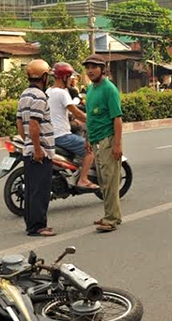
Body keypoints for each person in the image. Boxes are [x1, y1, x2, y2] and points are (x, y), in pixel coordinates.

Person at [83, 54, 123, 233]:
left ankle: (111, 218)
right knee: (103, 180)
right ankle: (111, 214)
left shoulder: (109, 89)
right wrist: (87, 138)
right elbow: (90, 117)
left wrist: (117, 145)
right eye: (88, 67)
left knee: (110, 180)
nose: (90, 70)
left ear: (103, 69)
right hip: (96, 139)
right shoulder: (91, 89)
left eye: (94, 67)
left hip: (108, 139)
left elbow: (117, 118)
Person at [16, 60, 56, 237]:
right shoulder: (39, 97)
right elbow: (34, 124)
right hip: (41, 151)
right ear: (45, 76)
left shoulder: (25, 95)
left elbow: (19, 122)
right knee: (41, 190)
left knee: (32, 190)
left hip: (28, 149)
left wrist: (28, 143)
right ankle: (39, 226)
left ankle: (31, 226)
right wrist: (38, 149)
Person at [46, 62, 97, 190]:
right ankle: (83, 180)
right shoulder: (62, 93)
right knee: (90, 151)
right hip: (61, 135)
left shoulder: (49, 91)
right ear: (64, 77)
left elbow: (60, 112)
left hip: (50, 134)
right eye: (70, 77)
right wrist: (92, 120)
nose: (71, 80)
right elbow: (77, 112)